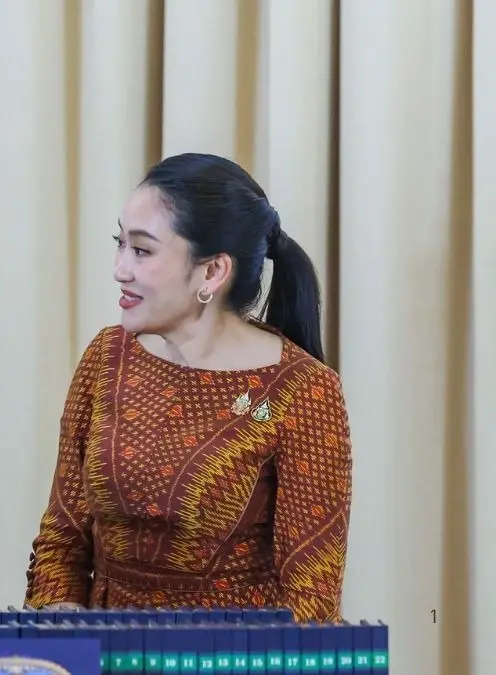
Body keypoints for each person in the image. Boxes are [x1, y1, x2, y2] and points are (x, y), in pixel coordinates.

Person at [23, 153, 352, 623]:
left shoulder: (304, 391)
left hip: (231, 660)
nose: (120, 268)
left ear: (213, 272)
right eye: (120, 243)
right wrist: (67, 633)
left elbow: (312, 604)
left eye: (142, 250)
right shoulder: (107, 356)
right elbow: (62, 538)